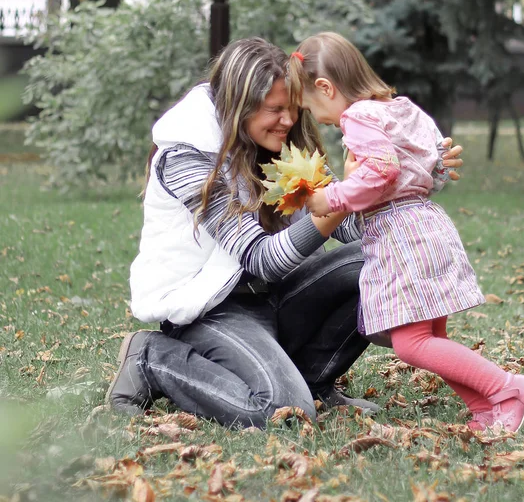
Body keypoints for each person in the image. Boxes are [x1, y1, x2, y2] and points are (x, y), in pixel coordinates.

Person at [105, 36, 464, 429]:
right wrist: (340, 200)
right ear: (238, 106)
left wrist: (418, 174)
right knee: (280, 411)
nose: (289, 120)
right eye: (274, 110)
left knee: (377, 251)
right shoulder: (187, 155)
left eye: (292, 108)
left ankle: (313, 379)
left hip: (277, 298)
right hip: (211, 309)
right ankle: (151, 358)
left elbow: (350, 227)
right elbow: (262, 259)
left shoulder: (277, 141)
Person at [289, 32, 524, 433]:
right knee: (432, 334)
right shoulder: (402, 109)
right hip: (427, 223)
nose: (315, 117)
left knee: (411, 343)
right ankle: (486, 408)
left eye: (310, 106)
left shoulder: (357, 117)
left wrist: (333, 197)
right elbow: (429, 167)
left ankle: (509, 388)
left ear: (325, 87)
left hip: (400, 234)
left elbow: (382, 171)